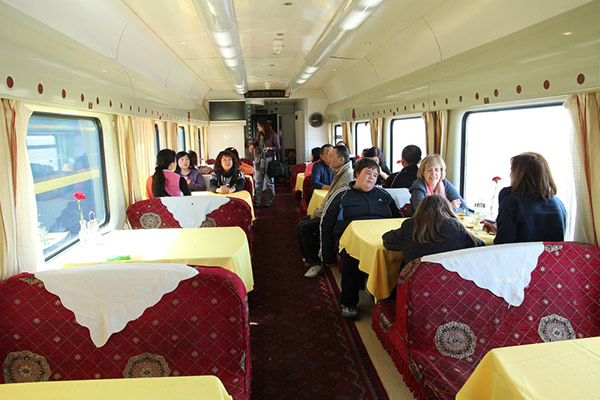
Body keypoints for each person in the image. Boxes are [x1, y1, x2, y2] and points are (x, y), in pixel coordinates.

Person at [320, 158, 400, 319]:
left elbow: (398, 218)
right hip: (350, 240)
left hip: (380, 240)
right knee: (352, 259)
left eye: (375, 175)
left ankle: (388, 300)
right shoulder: (342, 195)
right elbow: (326, 224)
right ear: (356, 174)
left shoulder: (384, 195)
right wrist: (327, 255)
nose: (371, 177)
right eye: (367, 173)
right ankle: (348, 302)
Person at [482, 152, 566, 243]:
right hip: (549, 257)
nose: (510, 175)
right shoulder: (558, 204)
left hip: (520, 257)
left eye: (511, 171)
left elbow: (504, 244)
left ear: (518, 174)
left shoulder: (511, 202)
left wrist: (499, 232)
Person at [298, 145, 354, 278]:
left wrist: (316, 213)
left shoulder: (347, 176)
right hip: (330, 211)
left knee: (303, 227)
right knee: (304, 221)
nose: (328, 159)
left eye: (332, 156)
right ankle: (310, 256)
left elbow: (333, 203)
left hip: (336, 216)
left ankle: (316, 263)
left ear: (341, 160)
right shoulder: (338, 172)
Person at [383, 194, 483, 264]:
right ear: (447, 209)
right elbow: (479, 245)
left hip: (416, 283)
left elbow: (388, 241)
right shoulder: (456, 227)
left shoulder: (410, 225)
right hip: (449, 283)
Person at [249, 117, 280, 207]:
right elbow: (256, 143)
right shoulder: (260, 135)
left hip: (268, 159)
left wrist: (269, 148)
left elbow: (278, 147)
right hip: (259, 160)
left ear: (263, 126)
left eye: (258, 126)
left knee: (269, 181)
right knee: (258, 181)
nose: (258, 128)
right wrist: (252, 145)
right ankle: (257, 202)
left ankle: (269, 200)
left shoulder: (273, 135)